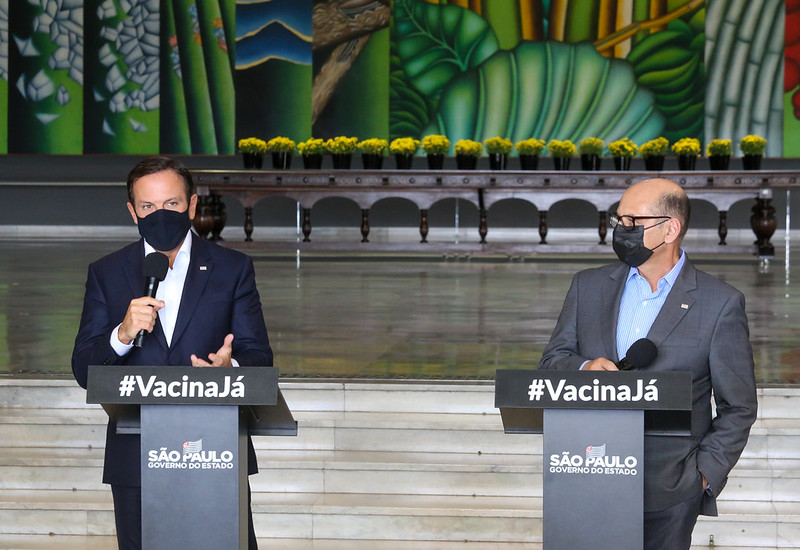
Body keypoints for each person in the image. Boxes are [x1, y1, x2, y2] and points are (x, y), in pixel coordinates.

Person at [539, 178, 757, 550]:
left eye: (633, 222)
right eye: (618, 220)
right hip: (586, 474)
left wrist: (702, 476)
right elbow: (551, 362)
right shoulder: (587, 287)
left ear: (670, 229)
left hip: (671, 488)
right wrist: (584, 368)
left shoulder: (720, 303)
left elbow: (738, 406)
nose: (621, 230)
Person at [72, 156, 272, 550]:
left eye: (172, 204)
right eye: (148, 206)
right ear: (133, 212)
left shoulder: (232, 269)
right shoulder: (107, 272)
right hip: (136, 455)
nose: (160, 215)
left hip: (215, 450)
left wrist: (230, 367)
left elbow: (258, 355)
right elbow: (83, 370)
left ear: (191, 206)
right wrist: (121, 335)